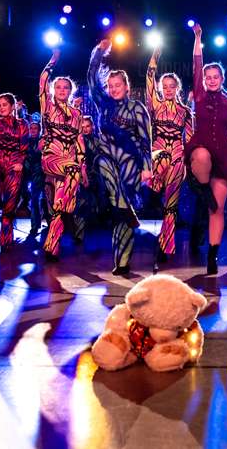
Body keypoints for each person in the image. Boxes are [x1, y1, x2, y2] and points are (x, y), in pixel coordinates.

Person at [88, 39, 153, 276]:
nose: (114, 89)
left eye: (118, 85)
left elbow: (145, 140)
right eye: (110, 85)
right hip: (107, 160)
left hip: (131, 165)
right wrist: (99, 52)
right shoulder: (103, 104)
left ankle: (123, 261)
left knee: (119, 211)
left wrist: (147, 168)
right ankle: (127, 214)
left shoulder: (137, 108)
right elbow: (91, 77)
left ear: (127, 87)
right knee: (103, 165)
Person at [184, 24, 227, 274]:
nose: (211, 79)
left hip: (224, 157)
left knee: (216, 209)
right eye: (208, 77)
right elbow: (197, 64)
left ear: (222, 79)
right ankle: (200, 187)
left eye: (215, 76)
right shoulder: (199, 96)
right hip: (202, 151)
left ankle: (212, 256)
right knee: (201, 155)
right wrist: (198, 37)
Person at [145, 45, 193, 269]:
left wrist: (188, 165)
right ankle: (153, 191)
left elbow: (189, 140)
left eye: (172, 86)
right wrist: (154, 57)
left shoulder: (185, 112)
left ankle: (166, 245)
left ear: (177, 88)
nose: (168, 90)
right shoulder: (155, 104)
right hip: (158, 151)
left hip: (177, 154)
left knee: (171, 206)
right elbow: (149, 78)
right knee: (161, 157)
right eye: (164, 87)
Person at [37, 50, 86, 260]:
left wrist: (83, 168)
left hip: (70, 164)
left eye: (66, 87)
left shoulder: (77, 114)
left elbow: (80, 142)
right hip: (51, 157)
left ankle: (52, 247)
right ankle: (69, 205)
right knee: (70, 177)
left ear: (71, 90)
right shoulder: (47, 107)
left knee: (57, 207)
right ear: (53, 90)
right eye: (58, 87)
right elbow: (42, 81)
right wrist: (53, 60)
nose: (62, 90)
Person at [0, 75, 31, 249]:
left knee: (9, 207)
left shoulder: (22, 124)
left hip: (14, 165)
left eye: (4, 104)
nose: (1, 107)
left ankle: (6, 242)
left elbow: (24, 147)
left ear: (12, 106)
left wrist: (20, 162)